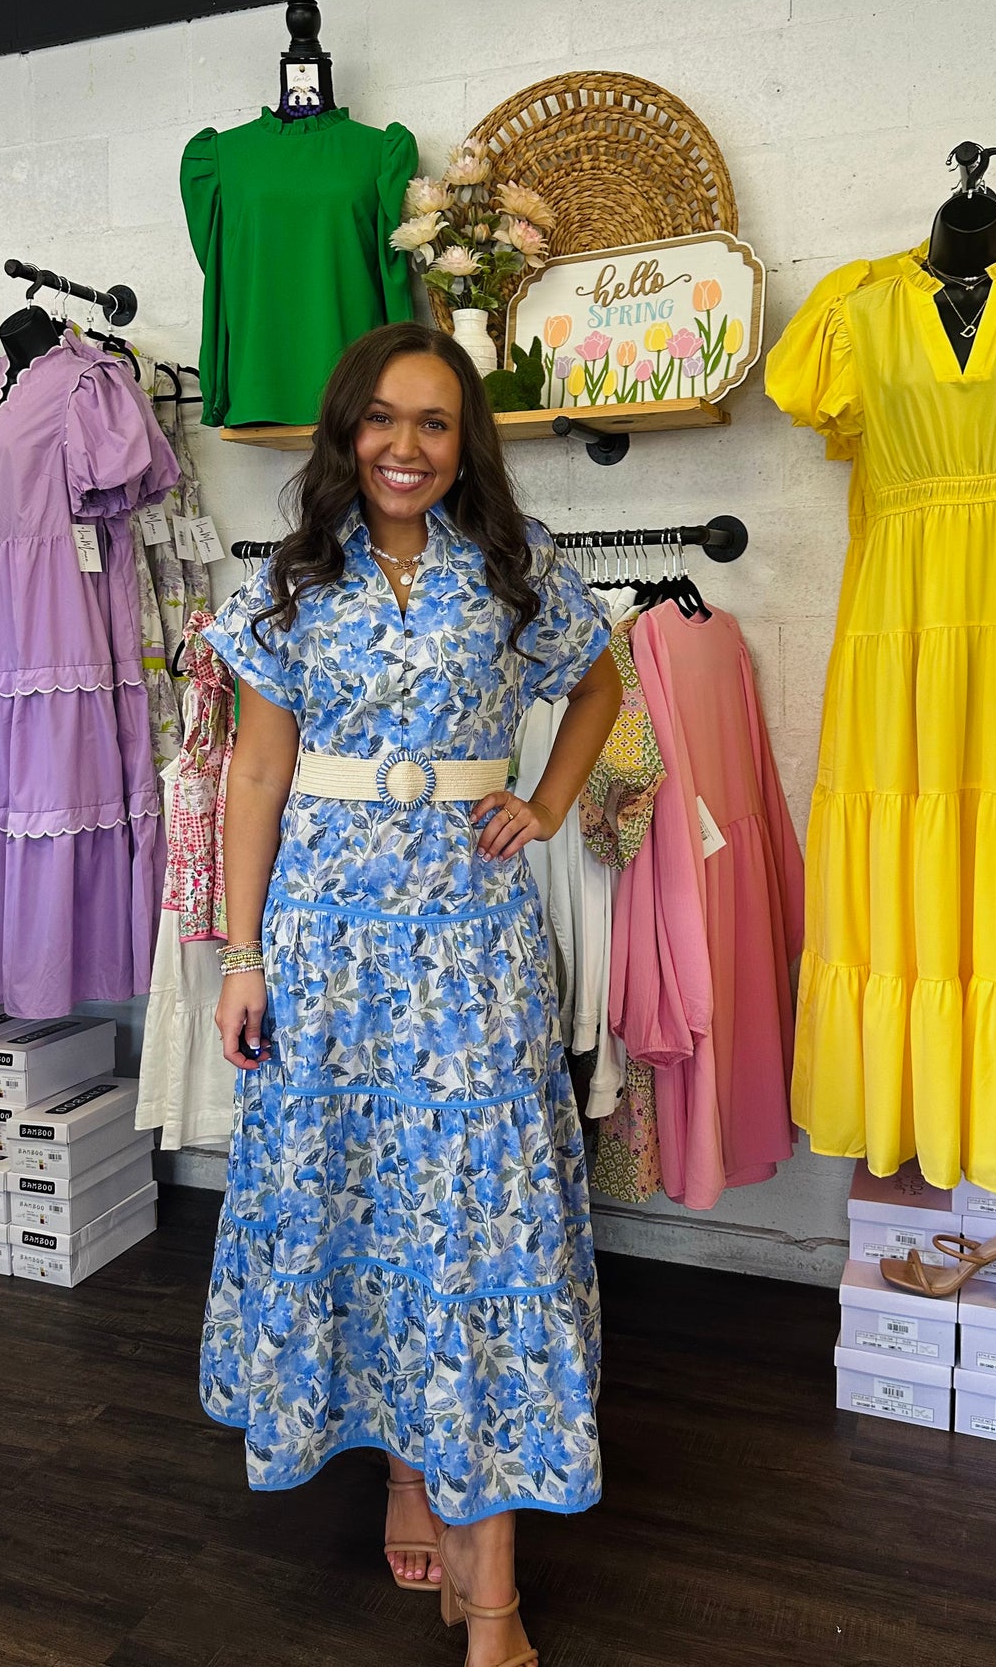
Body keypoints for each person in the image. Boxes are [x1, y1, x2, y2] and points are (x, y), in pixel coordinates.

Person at [202, 321, 622, 1667]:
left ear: (465, 442)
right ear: (344, 431)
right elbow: (253, 781)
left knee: (475, 1224)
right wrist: (242, 955)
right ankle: (402, 1467)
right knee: (362, 1207)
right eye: (381, 419)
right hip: (325, 944)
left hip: (469, 941)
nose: (404, 446)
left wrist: (546, 803)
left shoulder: (513, 567)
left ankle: (489, 1598)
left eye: (434, 423)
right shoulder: (288, 586)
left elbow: (600, 677)